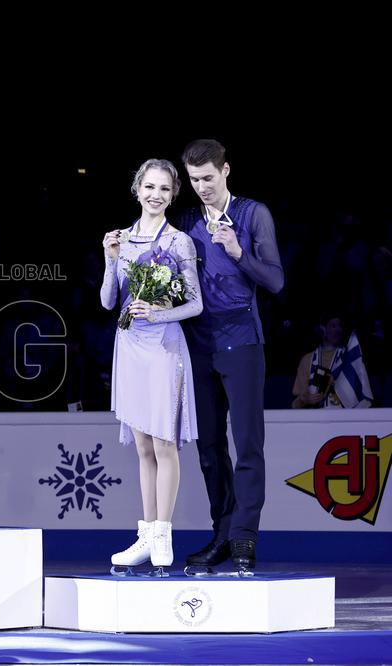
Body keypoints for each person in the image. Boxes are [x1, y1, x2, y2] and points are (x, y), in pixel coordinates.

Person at [177, 139, 284, 574]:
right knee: (208, 446)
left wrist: (240, 253)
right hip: (198, 345)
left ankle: (244, 537)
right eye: (193, 179)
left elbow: (275, 280)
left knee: (247, 444)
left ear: (225, 171)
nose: (201, 186)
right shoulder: (185, 220)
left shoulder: (253, 214)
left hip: (241, 340)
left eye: (207, 177)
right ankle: (221, 532)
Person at [101, 159, 202, 575]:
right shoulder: (120, 239)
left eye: (164, 188)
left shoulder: (179, 242)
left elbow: (195, 304)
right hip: (129, 346)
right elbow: (108, 301)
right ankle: (145, 535)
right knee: (143, 447)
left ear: (172, 194)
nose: (156, 195)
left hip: (163, 347)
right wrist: (109, 259)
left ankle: (163, 532)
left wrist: (156, 314)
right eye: (149, 186)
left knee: (164, 444)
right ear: (137, 188)